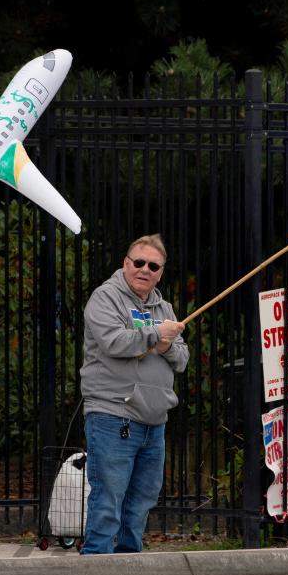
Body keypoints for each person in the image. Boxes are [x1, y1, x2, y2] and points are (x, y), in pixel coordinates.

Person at [79, 234, 189, 554]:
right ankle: (97, 567)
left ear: (161, 272)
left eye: (153, 266)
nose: (145, 270)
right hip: (114, 415)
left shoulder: (163, 307)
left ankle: (130, 568)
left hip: (154, 420)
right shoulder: (105, 298)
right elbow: (114, 341)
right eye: (138, 262)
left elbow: (182, 360)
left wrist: (167, 345)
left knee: (141, 500)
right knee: (109, 498)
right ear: (125, 264)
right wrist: (157, 333)